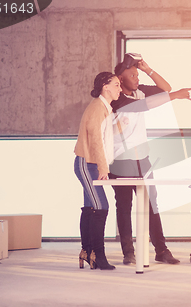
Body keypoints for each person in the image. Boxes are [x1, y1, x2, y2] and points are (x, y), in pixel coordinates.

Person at [109, 53, 191, 265]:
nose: (137, 78)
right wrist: (175, 96)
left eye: (137, 74)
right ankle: (128, 252)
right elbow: (143, 106)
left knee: (150, 205)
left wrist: (148, 69)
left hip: (142, 159)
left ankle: (161, 250)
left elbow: (165, 88)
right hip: (120, 160)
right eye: (132, 75)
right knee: (124, 206)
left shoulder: (139, 92)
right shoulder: (117, 98)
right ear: (120, 79)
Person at [74, 72, 121, 270]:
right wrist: (103, 167)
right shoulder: (97, 108)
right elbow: (95, 141)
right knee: (101, 207)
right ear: (105, 86)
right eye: (117, 85)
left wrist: (121, 126)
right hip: (88, 164)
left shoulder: (104, 108)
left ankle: (86, 252)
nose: (120, 88)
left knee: (91, 208)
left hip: (91, 163)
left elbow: (104, 136)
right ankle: (98, 256)